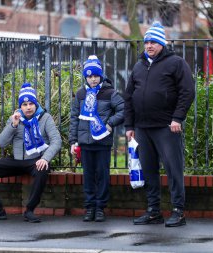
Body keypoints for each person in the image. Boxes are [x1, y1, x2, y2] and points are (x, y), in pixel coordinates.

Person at [124, 21, 195, 227]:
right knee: (148, 171)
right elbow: (128, 97)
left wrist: (177, 118)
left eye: (153, 42)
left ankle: (178, 211)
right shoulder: (138, 66)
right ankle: (154, 211)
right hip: (142, 128)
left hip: (167, 126)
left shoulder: (176, 63)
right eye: (146, 42)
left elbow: (187, 92)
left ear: (162, 43)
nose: (149, 46)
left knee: (173, 169)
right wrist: (130, 126)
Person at [0, 83, 62, 223]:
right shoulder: (15, 119)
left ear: (35, 104)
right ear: (20, 106)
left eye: (31, 103)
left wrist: (45, 159)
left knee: (42, 170)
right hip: (16, 160)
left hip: (36, 160)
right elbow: (1, 143)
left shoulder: (45, 118)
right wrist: (13, 125)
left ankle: (29, 210)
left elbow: (56, 141)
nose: (28, 107)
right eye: (25, 104)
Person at [69, 55, 124, 222]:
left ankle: (100, 208)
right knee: (88, 176)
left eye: (96, 76)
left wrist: (110, 124)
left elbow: (123, 109)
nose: (93, 79)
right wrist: (73, 141)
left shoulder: (110, 92)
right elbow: (74, 118)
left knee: (102, 175)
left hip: (102, 142)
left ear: (101, 75)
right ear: (85, 77)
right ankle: (89, 207)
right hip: (85, 143)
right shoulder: (80, 94)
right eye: (89, 76)